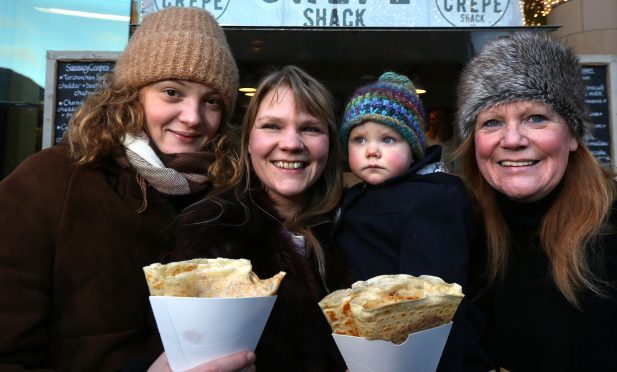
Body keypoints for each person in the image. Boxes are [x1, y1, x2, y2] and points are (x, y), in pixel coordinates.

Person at [0, 7, 253, 371]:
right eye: (171, 92)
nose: (193, 117)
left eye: (211, 101)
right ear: (132, 96)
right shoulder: (48, 183)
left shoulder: (225, 198)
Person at [171, 65, 350, 371]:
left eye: (311, 128)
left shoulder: (355, 227)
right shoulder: (210, 230)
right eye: (272, 126)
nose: (292, 144)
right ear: (249, 142)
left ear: (330, 145)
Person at [456, 31, 617, 370]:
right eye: (492, 122)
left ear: (573, 135)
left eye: (536, 118)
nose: (512, 140)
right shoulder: (461, 232)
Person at [333, 72, 490, 370]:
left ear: (413, 148)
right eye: (359, 139)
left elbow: (437, 306)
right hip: (363, 345)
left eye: (388, 139)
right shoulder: (358, 195)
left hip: (409, 351)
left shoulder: (431, 201)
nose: (371, 150)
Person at [426, 108, 459, 172]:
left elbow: (454, 160)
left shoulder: (451, 139)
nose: (431, 122)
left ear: (441, 120)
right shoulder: (427, 137)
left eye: (434, 119)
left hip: (447, 173)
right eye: (430, 119)